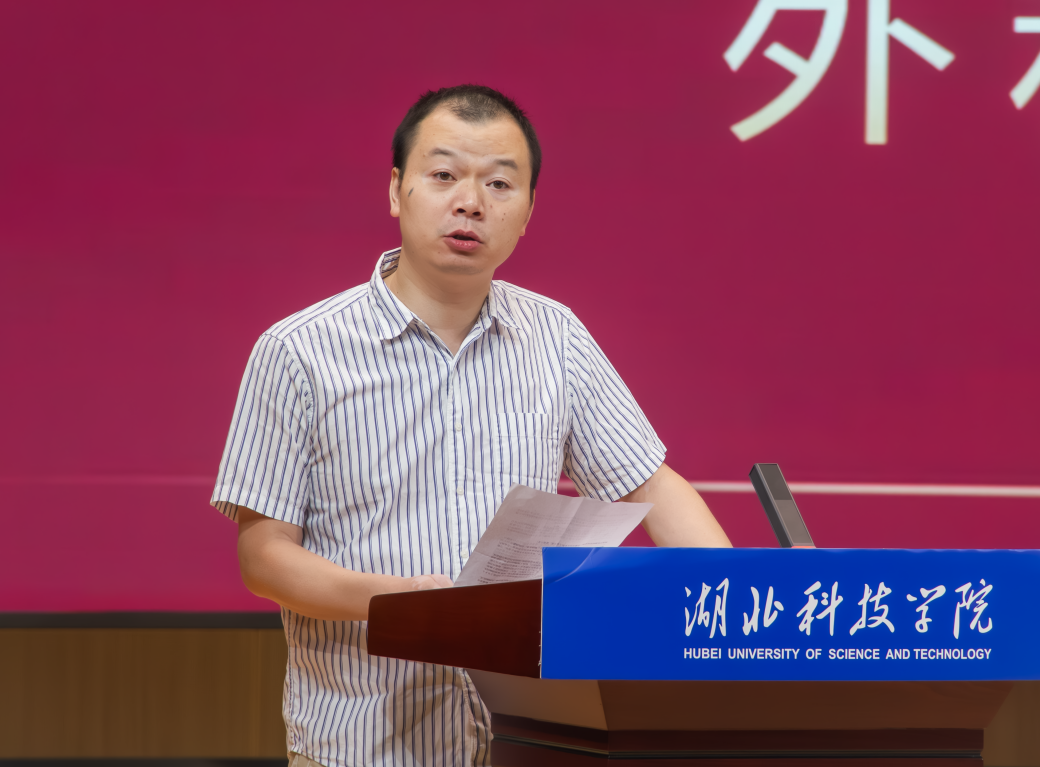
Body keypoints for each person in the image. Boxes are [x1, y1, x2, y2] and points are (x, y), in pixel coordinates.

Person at [210, 85, 730, 767]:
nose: (471, 202)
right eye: (444, 175)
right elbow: (264, 557)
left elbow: (650, 486)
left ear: (528, 213)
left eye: (499, 184)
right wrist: (397, 601)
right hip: (364, 745)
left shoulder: (555, 337)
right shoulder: (298, 351)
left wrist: (743, 607)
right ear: (396, 190)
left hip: (530, 739)